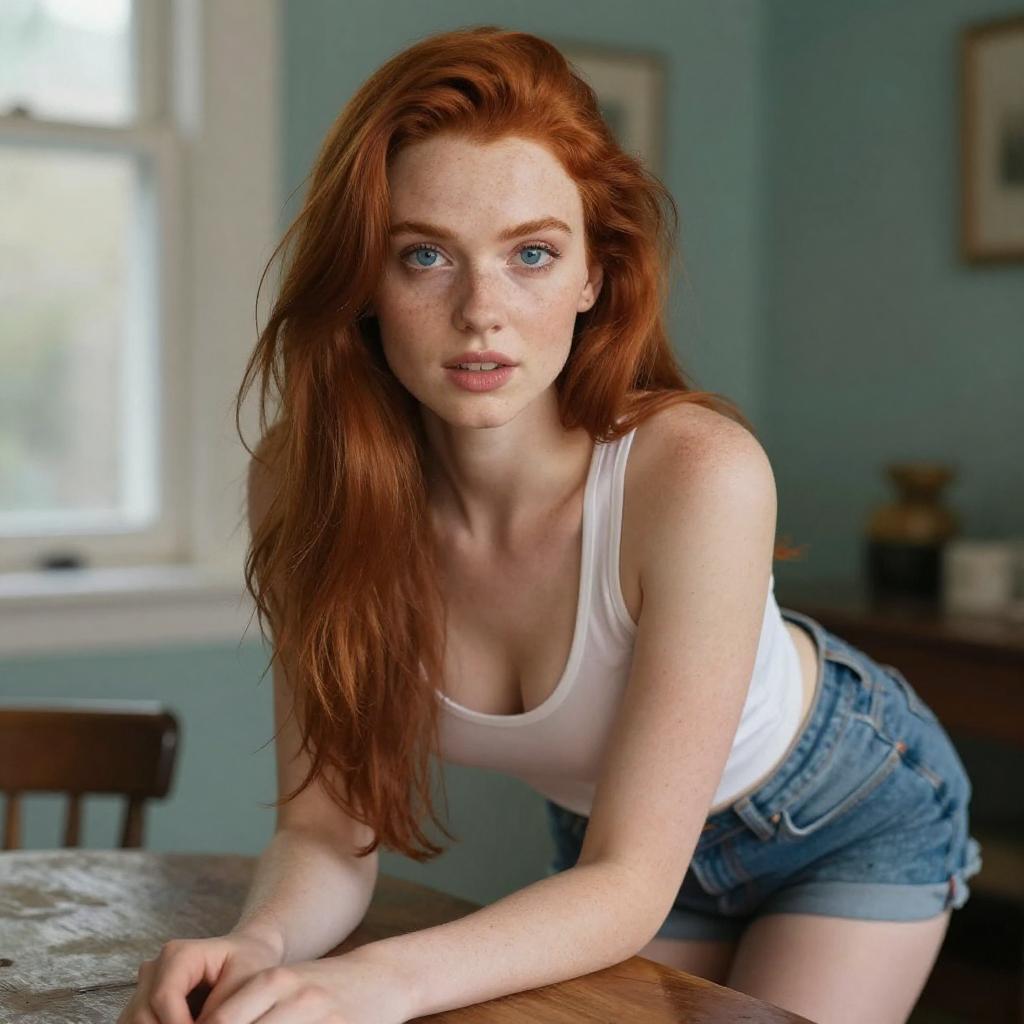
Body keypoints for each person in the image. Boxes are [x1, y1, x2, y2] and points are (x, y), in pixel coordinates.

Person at [117, 24, 982, 1024]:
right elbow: (323, 833)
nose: (482, 310)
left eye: (531, 253)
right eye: (426, 255)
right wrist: (251, 946)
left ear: (593, 276)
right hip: (610, 858)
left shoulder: (696, 472)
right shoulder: (308, 485)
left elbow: (629, 883)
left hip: (840, 813)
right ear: (363, 281)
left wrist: (368, 981)